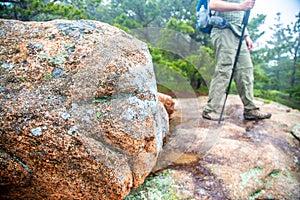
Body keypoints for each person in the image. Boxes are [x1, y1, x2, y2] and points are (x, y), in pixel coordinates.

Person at [202, 0, 272, 121]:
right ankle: (210, 110)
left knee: (246, 69)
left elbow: (239, 18)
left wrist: (247, 36)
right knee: (224, 70)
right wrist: (240, 6)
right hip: (223, 31)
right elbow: (213, 4)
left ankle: (250, 109)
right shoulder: (239, 3)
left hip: (239, 33)